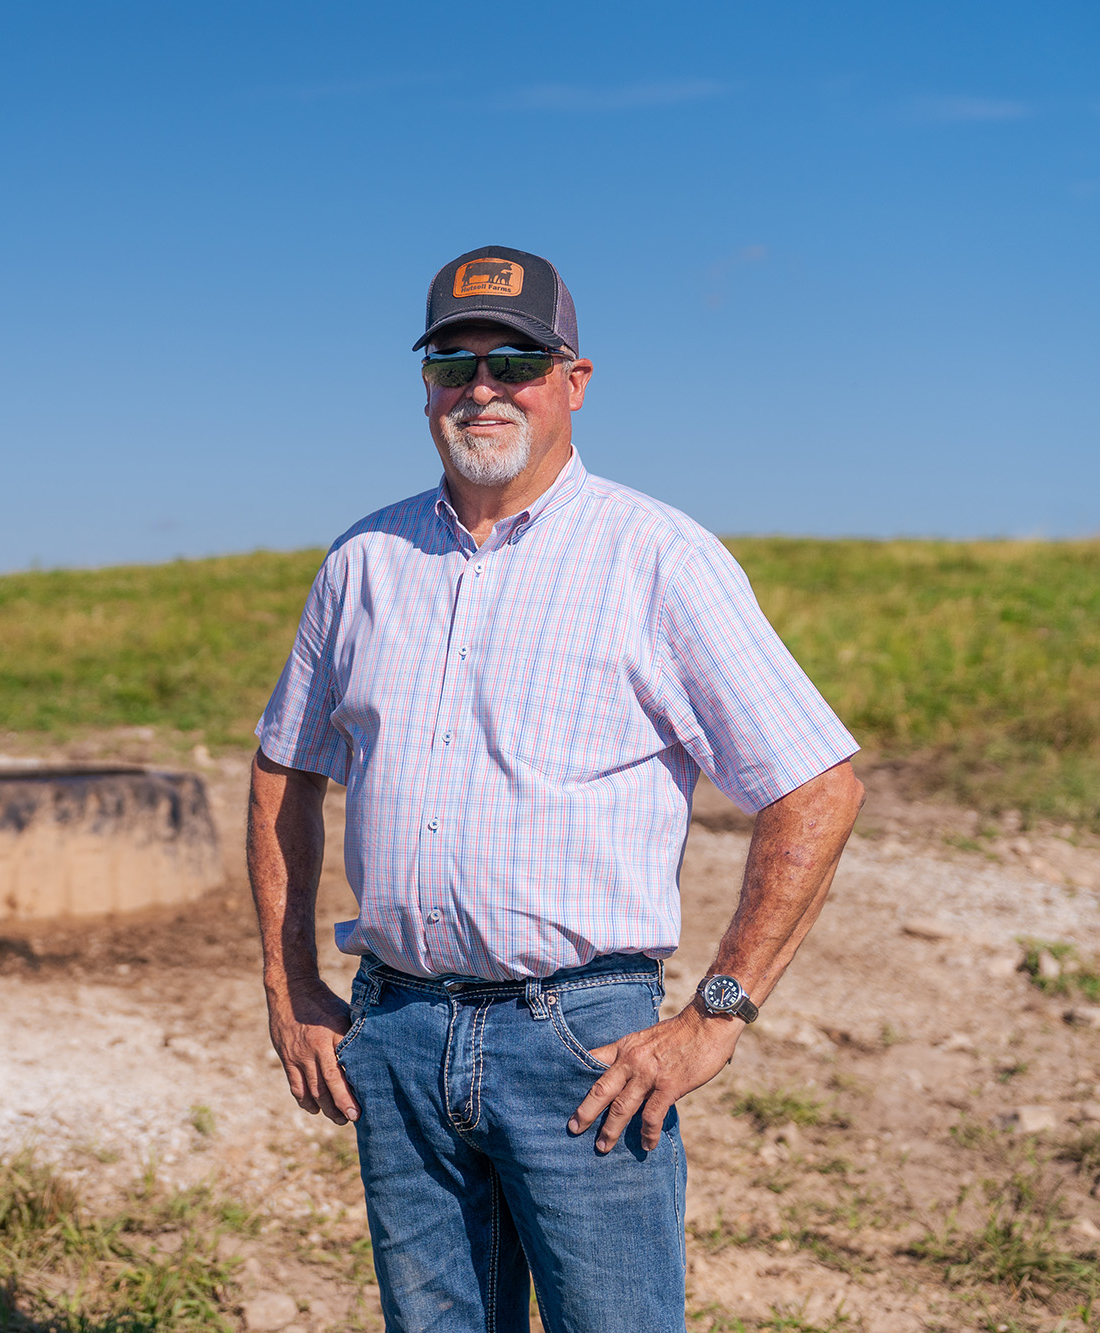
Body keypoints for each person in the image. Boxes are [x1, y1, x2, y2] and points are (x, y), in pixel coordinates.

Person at [248, 246, 865, 1333]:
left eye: (514, 359)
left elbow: (815, 784)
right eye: (454, 359)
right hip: (392, 1030)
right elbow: (282, 771)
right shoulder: (362, 562)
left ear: (571, 379)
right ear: (424, 380)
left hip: (579, 1042)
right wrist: (287, 981)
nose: (480, 386)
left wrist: (716, 1013)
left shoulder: (657, 556)